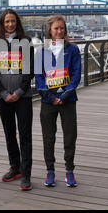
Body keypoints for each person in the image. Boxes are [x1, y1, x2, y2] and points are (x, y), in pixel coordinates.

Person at [0, 8, 34, 191]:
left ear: (17, 23)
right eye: (6, 22)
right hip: (3, 96)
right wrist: (3, 92)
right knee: (9, 133)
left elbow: (30, 70)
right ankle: (14, 167)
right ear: (2, 23)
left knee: (24, 135)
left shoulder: (26, 41)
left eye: (13, 21)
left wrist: (20, 91)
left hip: (22, 96)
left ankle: (26, 174)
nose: (10, 24)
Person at [35, 15, 81, 187]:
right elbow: (39, 78)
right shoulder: (41, 52)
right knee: (48, 138)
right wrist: (51, 97)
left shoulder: (73, 50)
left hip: (68, 100)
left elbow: (76, 74)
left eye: (62, 28)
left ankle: (69, 170)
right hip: (48, 101)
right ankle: (50, 171)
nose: (59, 31)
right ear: (50, 31)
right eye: (56, 28)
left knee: (70, 136)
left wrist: (64, 95)